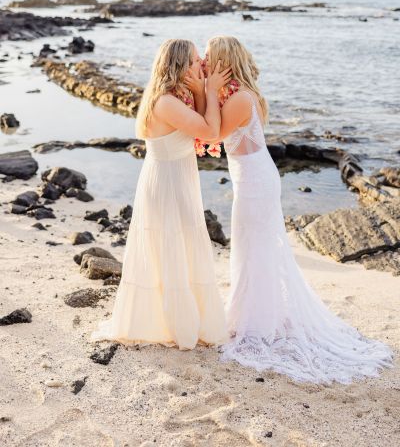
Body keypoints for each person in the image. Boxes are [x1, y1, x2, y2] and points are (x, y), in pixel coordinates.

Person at [189, 35, 394, 384]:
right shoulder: (238, 95)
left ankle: (255, 324)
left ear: (224, 61)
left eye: (208, 57)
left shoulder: (239, 98)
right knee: (251, 248)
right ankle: (253, 317)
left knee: (255, 249)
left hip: (255, 181)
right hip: (252, 178)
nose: (204, 62)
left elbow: (211, 137)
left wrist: (204, 90)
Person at [90, 38, 231, 350]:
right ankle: (178, 327)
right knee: (172, 249)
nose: (201, 66)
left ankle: (186, 321)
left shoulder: (175, 98)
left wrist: (199, 90)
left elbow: (203, 126)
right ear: (180, 65)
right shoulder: (166, 102)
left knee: (182, 249)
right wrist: (207, 89)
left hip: (176, 178)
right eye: (196, 61)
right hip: (167, 183)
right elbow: (210, 132)